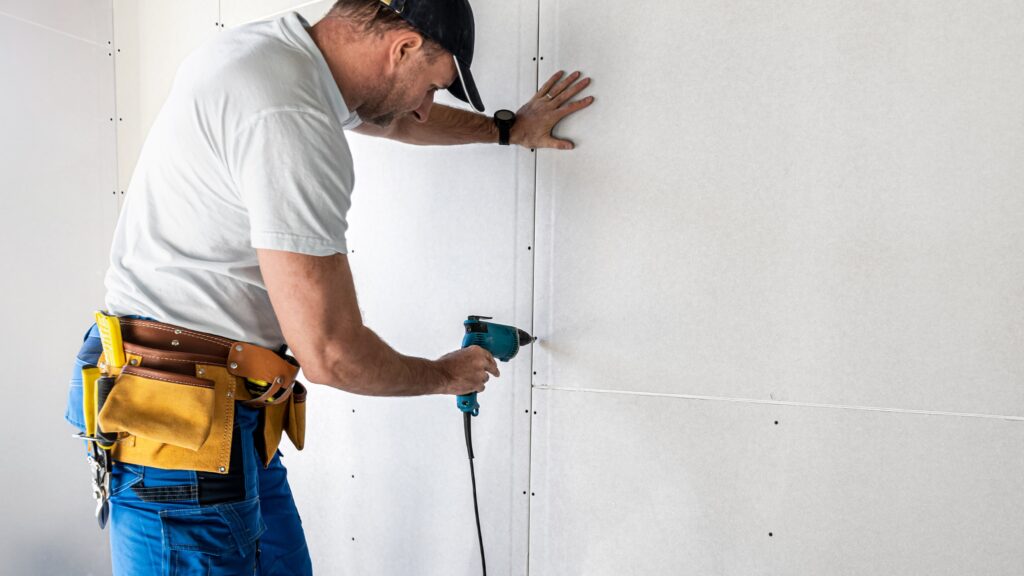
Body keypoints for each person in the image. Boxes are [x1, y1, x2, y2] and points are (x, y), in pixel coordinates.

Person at [64, 0, 593, 573]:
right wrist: (446, 375)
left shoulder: (275, 56)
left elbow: (393, 120)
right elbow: (331, 355)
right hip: (179, 427)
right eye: (432, 87)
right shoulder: (289, 116)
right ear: (404, 47)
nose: (425, 108)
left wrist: (506, 131)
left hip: (226, 413)